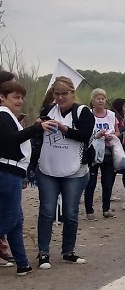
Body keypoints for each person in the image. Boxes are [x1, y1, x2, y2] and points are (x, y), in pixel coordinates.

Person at [30, 76, 94, 269]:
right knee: (47, 211)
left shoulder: (83, 112)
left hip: (75, 170)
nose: (60, 97)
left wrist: (64, 128)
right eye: (56, 94)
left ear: (73, 93)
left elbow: (85, 136)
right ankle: (43, 252)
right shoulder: (48, 111)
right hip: (48, 167)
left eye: (64, 93)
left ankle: (68, 251)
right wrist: (37, 125)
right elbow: (38, 135)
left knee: (70, 212)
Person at [0, 78, 56, 276]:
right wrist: (36, 129)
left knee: (16, 220)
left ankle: (22, 264)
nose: (20, 101)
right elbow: (10, 140)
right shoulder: (3, 115)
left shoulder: (9, 116)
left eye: (22, 97)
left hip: (12, 171)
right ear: (2, 97)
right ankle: (22, 263)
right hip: (7, 171)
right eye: (15, 97)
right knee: (11, 217)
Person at [83, 89, 120, 220]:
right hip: (93, 152)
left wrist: (112, 136)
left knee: (108, 181)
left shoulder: (111, 115)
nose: (100, 101)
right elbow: (84, 133)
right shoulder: (87, 114)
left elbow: (117, 132)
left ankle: (106, 208)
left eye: (103, 98)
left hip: (108, 151)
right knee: (91, 182)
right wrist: (96, 136)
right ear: (92, 100)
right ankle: (89, 210)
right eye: (98, 98)